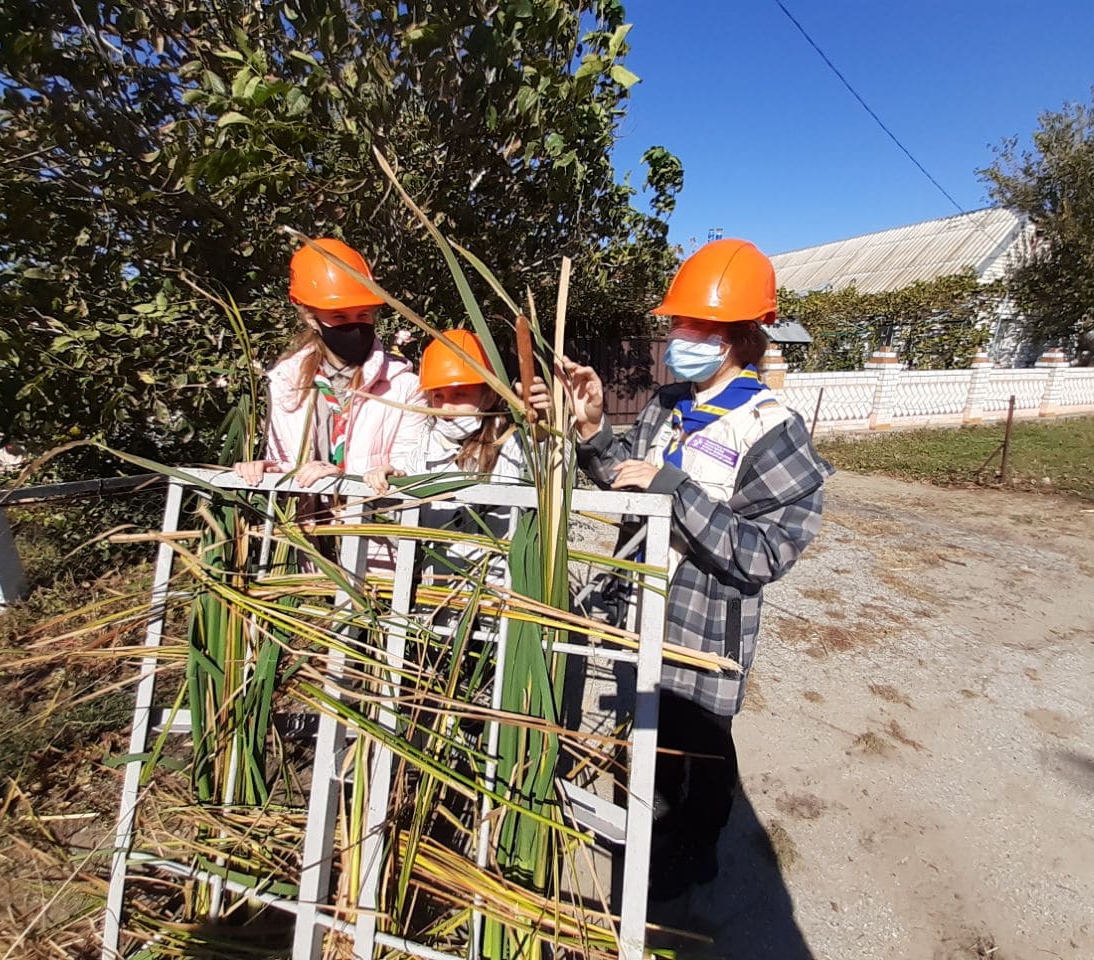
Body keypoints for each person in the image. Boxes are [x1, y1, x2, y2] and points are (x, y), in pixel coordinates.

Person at [529, 238, 832, 901]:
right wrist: (590, 428)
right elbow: (622, 479)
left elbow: (767, 552)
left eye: (689, 324)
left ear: (734, 335)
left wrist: (678, 492)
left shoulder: (772, 429)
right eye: (674, 322)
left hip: (703, 632)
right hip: (643, 608)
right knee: (643, 737)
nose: (674, 336)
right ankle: (643, 832)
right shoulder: (670, 406)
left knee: (696, 748)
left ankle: (694, 851)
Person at [234, 238, 426, 493]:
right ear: (311, 318)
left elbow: (410, 466)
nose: (355, 326)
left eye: (363, 314)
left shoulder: (404, 387)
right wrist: (268, 470)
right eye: (339, 316)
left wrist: (345, 480)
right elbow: (287, 462)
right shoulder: (287, 382)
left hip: (368, 527)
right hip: (304, 527)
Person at [365, 329, 525, 579]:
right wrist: (390, 481)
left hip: (496, 587)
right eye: (438, 395)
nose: (447, 406)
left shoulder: (512, 444)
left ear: (488, 395)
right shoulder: (427, 442)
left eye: (461, 393)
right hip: (436, 586)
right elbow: (404, 520)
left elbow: (550, 469)